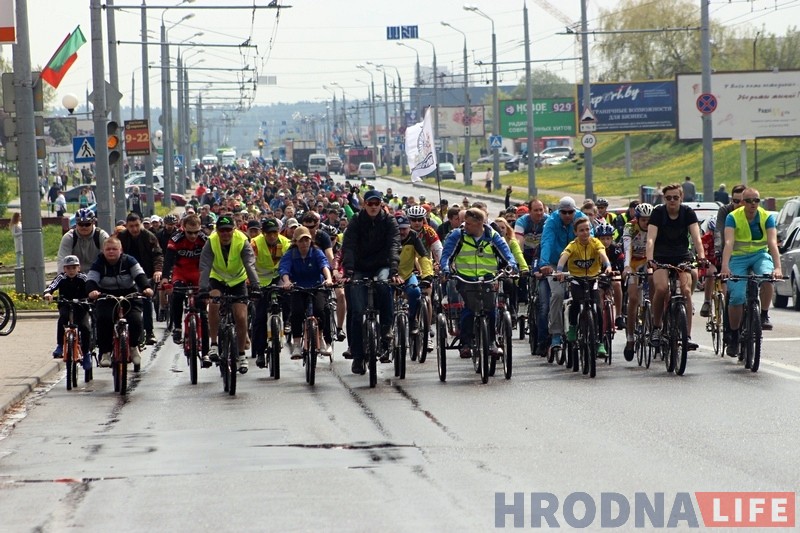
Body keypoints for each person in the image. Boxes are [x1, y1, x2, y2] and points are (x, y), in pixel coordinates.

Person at [440, 207, 517, 358]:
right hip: (466, 279)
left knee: (491, 308)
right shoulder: (458, 235)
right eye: (464, 222)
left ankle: (492, 342)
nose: (465, 226)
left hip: (488, 278)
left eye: (468, 224)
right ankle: (466, 343)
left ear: (480, 223)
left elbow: (507, 255)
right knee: (468, 309)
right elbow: (446, 256)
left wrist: (511, 266)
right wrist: (446, 269)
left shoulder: (492, 236)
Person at [341, 190, 401, 375]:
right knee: (357, 313)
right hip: (360, 267)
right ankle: (358, 356)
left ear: (381, 204)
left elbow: (394, 245)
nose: (373, 207)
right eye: (370, 204)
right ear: (364, 205)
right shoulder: (356, 221)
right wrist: (349, 271)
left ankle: (386, 330)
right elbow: (348, 247)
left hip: (382, 265)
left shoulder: (389, 221)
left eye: (376, 203)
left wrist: (394, 270)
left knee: (384, 285)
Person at [720, 188, 781, 356]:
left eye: (756, 200)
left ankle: (764, 315)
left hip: (759, 255)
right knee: (737, 296)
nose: (753, 204)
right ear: (742, 202)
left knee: (767, 278)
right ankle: (734, 336)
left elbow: (772, 243)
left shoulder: (767, 217)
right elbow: (729, 243)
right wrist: (725, 266)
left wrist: (777, 268)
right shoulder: (733, 217)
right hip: (738, 258)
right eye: (748, 201)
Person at [645, 183, 706, 350]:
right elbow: (650, 239)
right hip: (661, 257)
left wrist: (701, 256)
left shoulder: (688, 212)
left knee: (686, 291)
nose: (672, 201)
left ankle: (687, 336)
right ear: (664, 199)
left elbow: (696, 238)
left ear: (681, 198)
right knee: (662, 288)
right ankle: (656, 328)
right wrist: (650, 259)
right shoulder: (658, 213)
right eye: (668, 198)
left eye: (675, 197)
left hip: (682, 256)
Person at [198, 215, 260, 374]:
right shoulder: (211, 241)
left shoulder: (242, 240)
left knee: (241, 316)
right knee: (214, 303)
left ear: (234, 229)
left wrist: (255, 285)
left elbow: (250, 264)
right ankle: (214, 344)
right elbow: (205, 266)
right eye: (222, 231)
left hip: (237, 280)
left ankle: (241, 354)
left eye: (228, 230)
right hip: (217, 278)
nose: (225, 234)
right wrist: (203, 288)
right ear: (217, 231)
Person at [86, 237, 154, 369]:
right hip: (107, 296)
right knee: (103, 319)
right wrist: (92, 291)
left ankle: (134, 347)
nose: (111, 252)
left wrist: (146, 288)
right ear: (103, 251)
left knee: (135, 319)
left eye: (114, 249)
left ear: (120, 250)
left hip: (129, 295)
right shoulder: (98, 263)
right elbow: (91, 280)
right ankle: (105, 352)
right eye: (108, 249)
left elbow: (140, 275)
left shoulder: (129, 261)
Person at [555, 217, 612, 357]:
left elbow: (602, 254)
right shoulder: (572, 245)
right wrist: (559, 271)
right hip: (577, 279)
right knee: (576, 302)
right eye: (581, 230)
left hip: (593, 279)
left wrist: (608, 266)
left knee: (598, 308)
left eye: (587, 229)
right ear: (575, 232)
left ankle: (600, 342)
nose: (585, 233)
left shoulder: (595, 242)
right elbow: (564, 257)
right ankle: (573, 327)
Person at [538, 197, 587, 352]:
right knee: (558, 294)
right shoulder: (551, 222)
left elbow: (591, 240)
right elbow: (547, 242)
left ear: (575, 211)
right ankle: (556, 334)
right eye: (563, 212)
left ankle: (588, 327)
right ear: (558, 212)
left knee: (586, 294)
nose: (567, 215)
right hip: (554, 263)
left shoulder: (581, 219)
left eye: (570, 212)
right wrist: (544, 264)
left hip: (577, 263)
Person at [162, 214, 211, 367]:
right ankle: (177, 327)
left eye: (196, 232)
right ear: (183, 228)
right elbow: (168, 260)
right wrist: (165, 278)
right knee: (177, 294)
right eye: (190, 232)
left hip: (198, 274)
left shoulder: (205, 239)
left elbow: (212, 260)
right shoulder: (176, 238)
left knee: (203, 312)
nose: (193, 236)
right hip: (181, 272)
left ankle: (206, 353)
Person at [279, 226, 334, 359]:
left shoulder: (316, 252)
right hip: (297, 287)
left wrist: (328, 279)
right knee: (296, 312)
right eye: (301, 240)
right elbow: (284, 268)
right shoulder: (290, 254)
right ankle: (297, 344)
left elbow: (324, 265)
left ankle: (320, 338)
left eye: (306, 240)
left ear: (310, 240)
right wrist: (286, 281)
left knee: (320, 310)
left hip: (316, 286)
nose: (304, 243)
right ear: (295, 242)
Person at [117, 213, 164, 346]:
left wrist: (158, 270)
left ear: (141, 224)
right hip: (126, 274)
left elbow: (158, 255)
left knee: (146, 298)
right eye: (131, 226)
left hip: (145, 273)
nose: (134, 229)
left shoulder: (149, 236)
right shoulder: (121, 237)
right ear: (126, 226)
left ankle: (149, 332)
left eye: (137, 225)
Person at [250, 218, 291, 368]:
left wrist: (289, 280)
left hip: (280, 278)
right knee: (260, 317)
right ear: (263, 233)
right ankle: (260, 352)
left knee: (289, 297)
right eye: (269, 233)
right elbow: (250, 262)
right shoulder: (255, 243)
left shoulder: (286, 243)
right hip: (260, 281)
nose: (272, 236)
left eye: (275, 233)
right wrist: (250, 280)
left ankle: (286, 322)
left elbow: (290, 262)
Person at [396, 214, 434, 356]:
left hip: (407, 275)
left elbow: (423, 256)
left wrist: (427, 275)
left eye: (404, 229)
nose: (402, 232)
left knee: (415, 292)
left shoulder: (413, 237)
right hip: (390, 275)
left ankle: (413, 320)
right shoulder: (389, 237)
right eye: (399, 229)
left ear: (409, 228)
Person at [621, 203, 653, 360]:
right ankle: (630, 338)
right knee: (633, 298)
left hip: (648, 261)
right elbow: (627, 248)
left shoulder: (655, 227)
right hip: (633, 262)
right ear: (638, 219)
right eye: (643, 220)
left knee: (655, 282)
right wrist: (626, 266)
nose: (646, 223)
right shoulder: (630, 227)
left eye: (649, 220)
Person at [43, 255, 91, 360]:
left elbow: (90, 286)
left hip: (81, 305)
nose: (71, 271)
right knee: (62, 319)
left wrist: (92, 294)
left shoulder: (83, 277)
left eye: (74, 267)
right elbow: (51, 287)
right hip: (65, 304)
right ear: (64, 269)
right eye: (68, 268)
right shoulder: (61, 277)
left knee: (84, 326)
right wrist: (48, 293)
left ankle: (86, 353)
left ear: (79, 268)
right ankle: (60, 345)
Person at [493, 217, 528, 321]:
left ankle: (512, 307)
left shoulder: (512, 242)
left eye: (503, 227)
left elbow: (518, 255)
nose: (500, 230)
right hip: (493, 271)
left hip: (508, 270)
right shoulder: (489, 241)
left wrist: (524, 268)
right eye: (497, 228)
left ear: (507, 229)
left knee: (510, 284)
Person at [56, 208, 109, 273]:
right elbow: (62, 260)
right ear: (76, 223)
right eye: (80, 224)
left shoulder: (101, 235)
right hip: (75, 274)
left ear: (93, 223)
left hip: (96, 272)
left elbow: (109, 257)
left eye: (87, 224)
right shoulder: (69, 237)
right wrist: (62, 277)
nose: (84, 227)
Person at [595, 222, 625, 330]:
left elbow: (621, 264)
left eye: (608, 238)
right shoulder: (594, 249)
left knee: (617, 284)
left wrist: (618, 271)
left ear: (612, 238)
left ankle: (618, 316)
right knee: (599, 292)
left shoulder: (616, 249)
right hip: (598, 275)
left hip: (612, 274)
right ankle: (598, 317)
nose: (605, 241)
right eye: (602, 238)